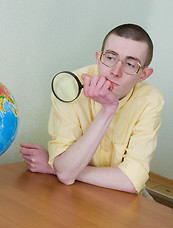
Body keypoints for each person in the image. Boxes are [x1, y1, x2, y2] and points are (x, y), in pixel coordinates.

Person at [20, 24, 164, 197]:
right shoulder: (69, 87)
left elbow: (131, 182)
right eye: (110, 57)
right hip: (73, 195)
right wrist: (108, 110)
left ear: (143, 75)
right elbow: (66, 174)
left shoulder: (150, 100)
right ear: (98, 58)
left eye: (130, 64)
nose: (115, 72)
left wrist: (56, 169)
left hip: (125, 199)